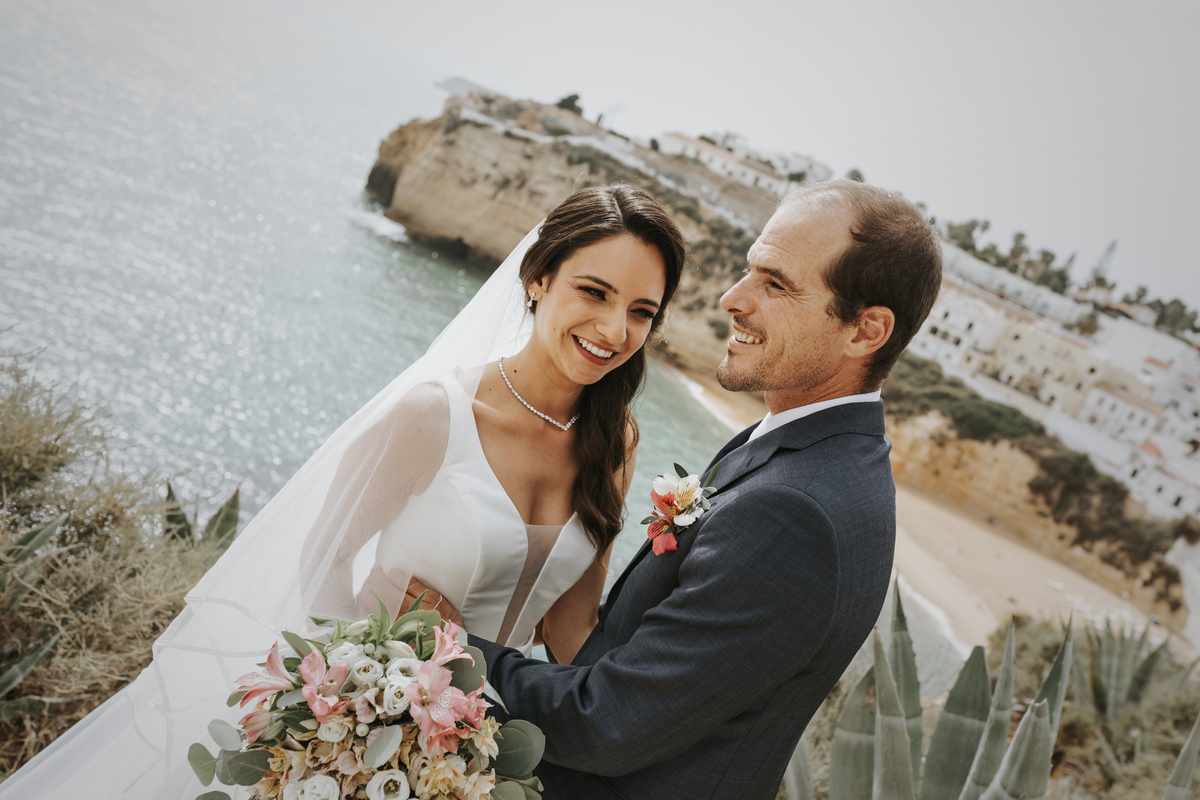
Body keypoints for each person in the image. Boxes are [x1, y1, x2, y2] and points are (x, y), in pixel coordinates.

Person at [0, 184, 686, 799]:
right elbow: (326, 555)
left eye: (640, 311)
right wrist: (361, 703)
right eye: (594, 292)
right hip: (370, 740)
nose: (614, 330)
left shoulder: (613, 444)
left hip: (482, 761)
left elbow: (570, 627)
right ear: (539, 278)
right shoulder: (434, 416)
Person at [462, 179, 944, 799]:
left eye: (776, 284)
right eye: (750, 269)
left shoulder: (795, 513)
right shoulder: (817, 455)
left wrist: (451, 650)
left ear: (866, 331)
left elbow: (607, 723)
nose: (732, 298)